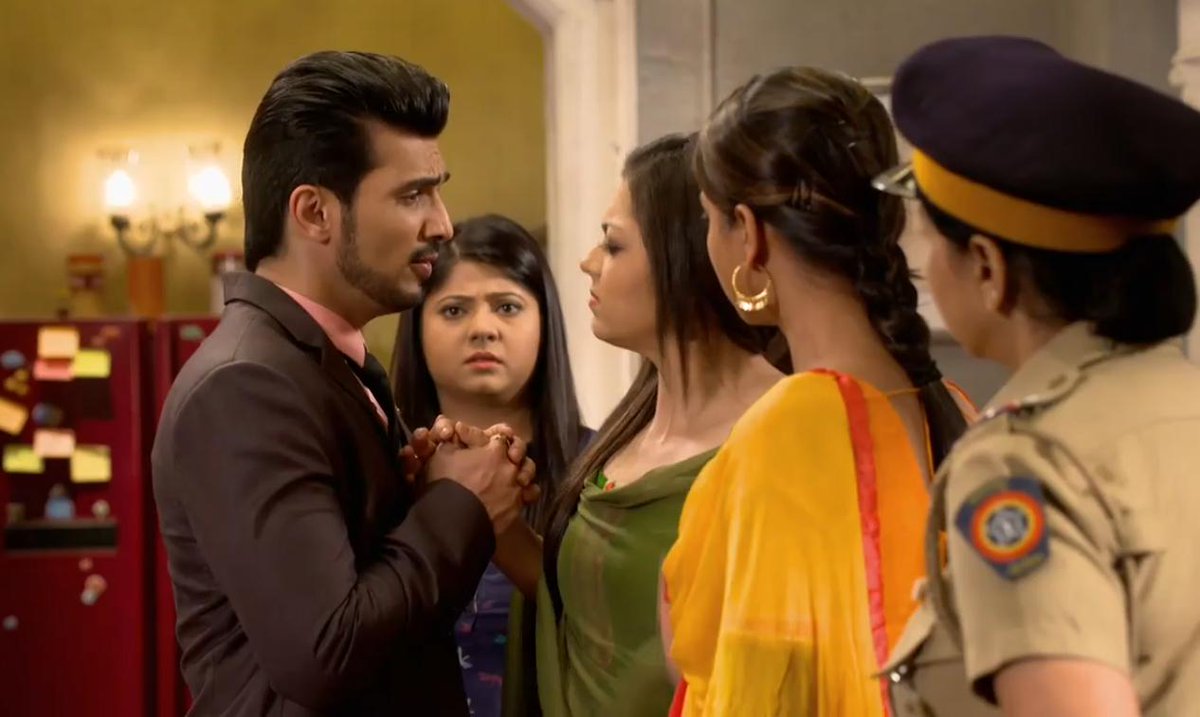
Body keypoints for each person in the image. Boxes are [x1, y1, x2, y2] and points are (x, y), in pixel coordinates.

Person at [151, 51, 532, 717]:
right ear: (314, 213)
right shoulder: (245, 384)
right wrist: (461, 503)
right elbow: (326, 650)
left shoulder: (327, 360)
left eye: (437, 191)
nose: (442, 224)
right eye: (413, 195)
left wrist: (428, 491)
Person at [872, 36, 1200, 717]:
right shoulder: (1183, 402)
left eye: (929, 239)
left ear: (987, 268)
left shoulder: (1024, 464)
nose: (924, 265)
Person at [661, 67, 970, 716]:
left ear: (749, 233)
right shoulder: (954, 404)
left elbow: (754, 687)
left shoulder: (792, 427)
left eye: (709, 220)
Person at [475, 134, 780, 717]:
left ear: (686, 256)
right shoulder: (633, 423)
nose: (589, 262)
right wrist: (498, 515)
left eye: (613, 245)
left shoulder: (775, 432)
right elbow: (586, 610)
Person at [390, 214, 592, 716]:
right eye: (454, 310)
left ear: (545, 321)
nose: (483, 329)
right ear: (417, 327)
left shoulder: (604, 471)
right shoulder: (388, 471)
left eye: (507, 307)